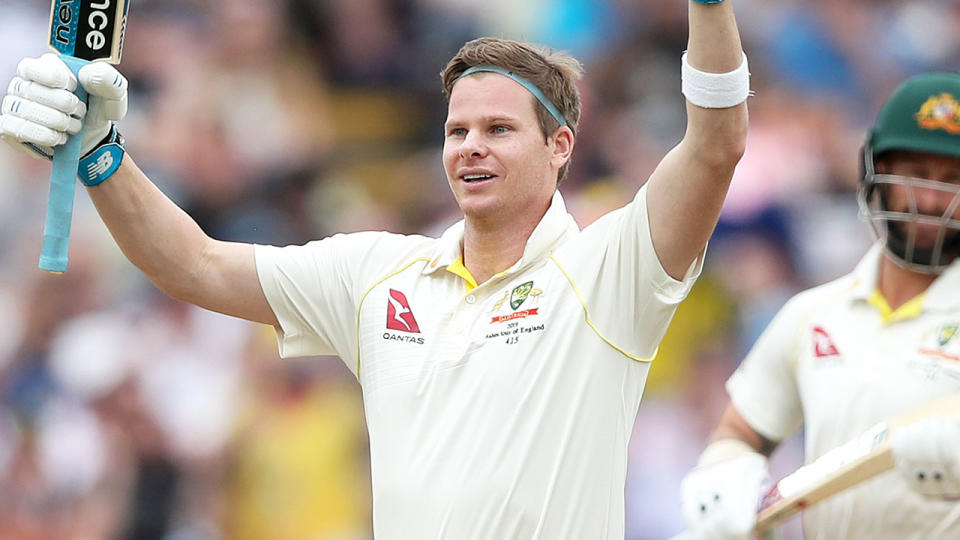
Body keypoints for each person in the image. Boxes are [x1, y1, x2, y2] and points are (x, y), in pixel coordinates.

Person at [0, 1, 749, 537]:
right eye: (456, 130)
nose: (469, 147)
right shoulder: (380, 273)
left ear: (560, 147)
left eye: (498, 129)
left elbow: (714, 147)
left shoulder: (607, 269)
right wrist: (103, 156)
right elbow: (193, 264)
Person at [680, 72, 960, 540]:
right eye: (915, 174)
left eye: (953, 180)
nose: (930, 199)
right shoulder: (814, 314)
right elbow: (741, 430)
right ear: (877, 174)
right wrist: (724, 472)